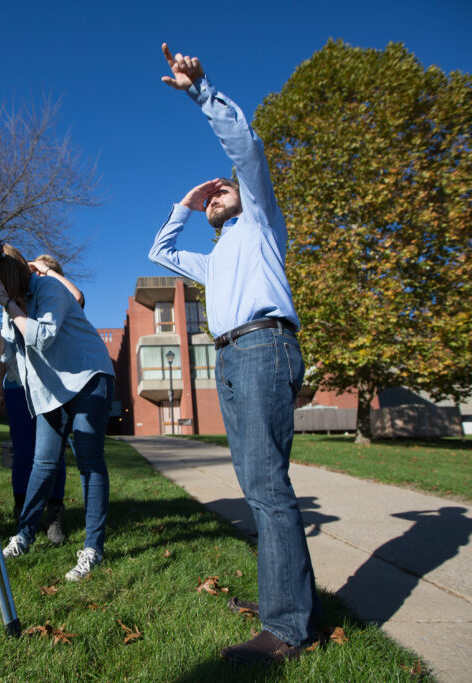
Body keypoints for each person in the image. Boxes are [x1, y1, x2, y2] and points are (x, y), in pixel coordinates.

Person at [148, 44, 320, 663]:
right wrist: (186, 206)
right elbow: (161, 254)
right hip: (230, 357)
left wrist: (201, 91)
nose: (220, 191)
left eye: (224, 191)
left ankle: (288, 628)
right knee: (256, 484)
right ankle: (286, 600)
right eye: (215, 194)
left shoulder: (262, 223)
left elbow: (246, 149)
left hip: (264, 347)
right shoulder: (217, 255)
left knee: (268, 485)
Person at [0, 245, 114, 582]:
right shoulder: (10, 308)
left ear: (9, 277)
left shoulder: (49, 289)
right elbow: (6, 356)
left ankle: (93, 548)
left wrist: (7, 303)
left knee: (89, 459)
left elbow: (42, 337)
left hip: (88, 378)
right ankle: (23, 535)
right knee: (43, 462)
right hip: (53, 390)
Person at [4, 254, 84, 544]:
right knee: (23, 452)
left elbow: (78, 296)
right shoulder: (16, 298)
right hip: (16, 385)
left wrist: (48, 271)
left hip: (51, 385)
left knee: (52, 455)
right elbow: (6, 349)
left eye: (39, 268)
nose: (32, 271)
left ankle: (53, 517)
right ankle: (23, 513)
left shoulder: (55, 298)